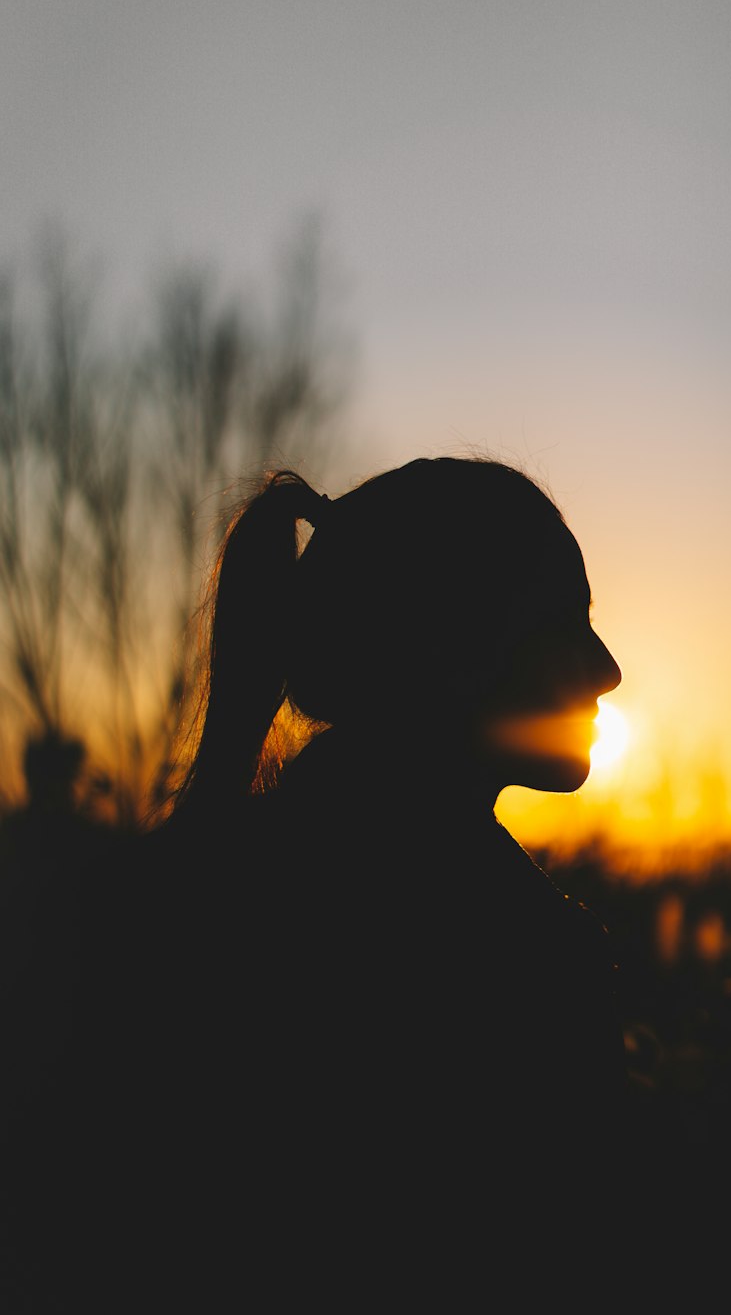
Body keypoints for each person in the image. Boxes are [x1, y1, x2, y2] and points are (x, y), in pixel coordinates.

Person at [40, 457, 627, 1308]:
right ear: (449, 643)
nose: (605, 668)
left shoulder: (169, 902)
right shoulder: (527, 963)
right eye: (561, 623)